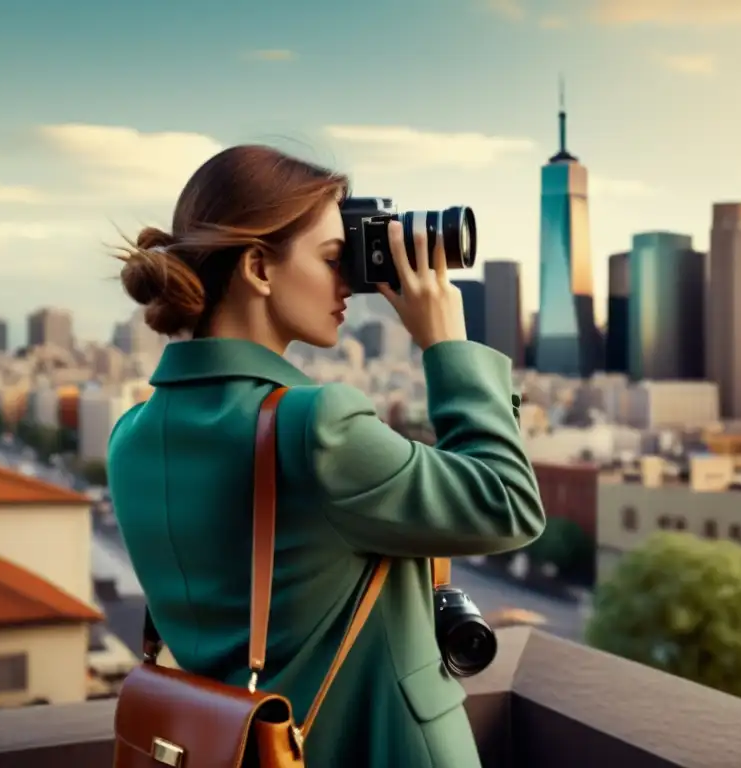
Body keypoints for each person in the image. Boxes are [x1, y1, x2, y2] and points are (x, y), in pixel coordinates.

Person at [107, 144, 545, 767]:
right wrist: (447, 342)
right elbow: (506, 506)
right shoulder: (315, 425)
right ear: (259, 266)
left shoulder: (132, 436)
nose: (351, 285)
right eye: (335, 259)